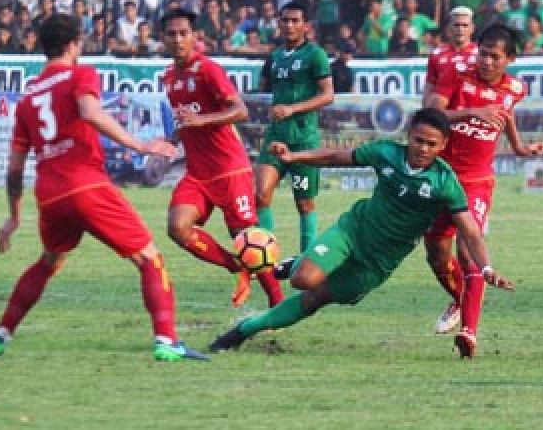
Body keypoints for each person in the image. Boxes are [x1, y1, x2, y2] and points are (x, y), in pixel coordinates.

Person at [0, 14, 207, 362]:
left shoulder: (28, 98)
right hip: (86, 185)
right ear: (73, 45)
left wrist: (13, 217)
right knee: (150, 259)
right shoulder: (79, 74)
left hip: (49, 193)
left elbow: (14, 167)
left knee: (49, 261)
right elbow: (89, 110)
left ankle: (0, 335)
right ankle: (167, 342)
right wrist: (140, 145)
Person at [209, 108, 515, 357]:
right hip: (353, 231)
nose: (423, 148)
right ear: (408, 136)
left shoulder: (444, 182)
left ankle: (245, 329)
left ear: (443, 146)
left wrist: (486, 267)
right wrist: (292, 158)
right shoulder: (386, 153)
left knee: (313, 300)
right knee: (303, 279)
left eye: (431, 144)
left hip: (378, 263)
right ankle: (244, 325)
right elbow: (334, 158)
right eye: (418, 140)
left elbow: (470, 231)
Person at [422, 23, 543, 355]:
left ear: (510, 60)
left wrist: (519, 148)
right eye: (483, 54)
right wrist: (473, 111)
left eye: (494, 57)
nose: (486, 61)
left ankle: (469, 333)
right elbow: (431, 114)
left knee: (468, 251)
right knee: (436, 255)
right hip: (441, 177)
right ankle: (458, 299)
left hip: (476, 182)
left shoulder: (515, 88)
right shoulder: (456, 76)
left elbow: (506, 115)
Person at [159, 8, 283, 309]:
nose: (177, 40)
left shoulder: (208, 70)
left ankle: (277, 302)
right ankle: (235, 267)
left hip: (229, 169)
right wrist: (170, 141)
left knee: (248, 239)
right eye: (171, 34)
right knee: (178, 228)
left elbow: (240, 111)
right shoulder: (169, 77)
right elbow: (186, 120)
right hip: (198, 174)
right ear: (163, 39)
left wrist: (201, 121)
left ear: (195, 37)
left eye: (183, 33)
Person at [254, 2, 334, 254]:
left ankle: (305, 259)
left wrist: (292, 108)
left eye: (295, 20)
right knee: (260, 194)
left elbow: (327, 95)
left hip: (303, 142)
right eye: (285, 20)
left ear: (306, 26)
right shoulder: (275, 57)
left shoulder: (315, 55)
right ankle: (265, 257)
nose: (289, 25)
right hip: (275, 137)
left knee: (305, 204)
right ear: (278, 24)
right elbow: (263, 92)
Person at [422, 6, 478, 101]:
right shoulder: (436, 54)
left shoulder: (481, 53)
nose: (460, 29)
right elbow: (429, 89)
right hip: (445, 112)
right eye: (456, 25)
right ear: (449, 28)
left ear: (472, 28)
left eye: (465, 25)